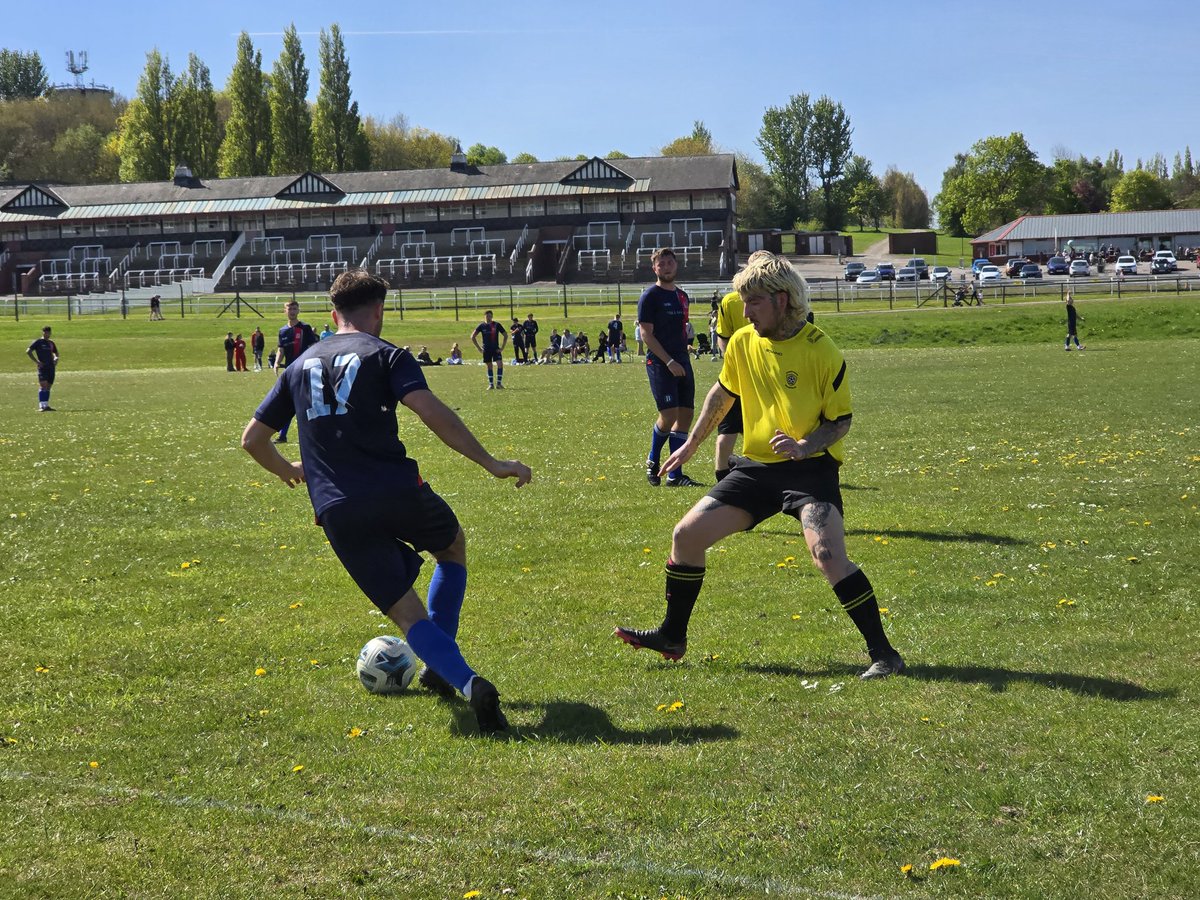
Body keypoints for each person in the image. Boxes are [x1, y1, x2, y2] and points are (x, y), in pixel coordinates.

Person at [241, 269, 531, 734]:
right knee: (451, 545)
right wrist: (492, 463)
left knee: (406, 613)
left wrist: (291, 471)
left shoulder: (298, 366)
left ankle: (465, 679)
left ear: (333, 314)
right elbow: (431, 411)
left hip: (337, 506)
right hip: (397, 489)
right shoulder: (387, 355)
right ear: (378, 311)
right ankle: (444, 662)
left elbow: (253, 439)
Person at [615, 253, 904, 680]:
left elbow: (840, 421)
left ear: (782, 300)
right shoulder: (743, 342)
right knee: (685, 536)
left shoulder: (821, 351)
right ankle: (673, 637)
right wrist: (691, 444)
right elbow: (722, 392)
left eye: (753, 302)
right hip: (755, 469)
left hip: (809, 469)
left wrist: (804, 446)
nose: (744, 312)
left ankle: (885, 655)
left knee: (827, 554)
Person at [637, 247, 701, 487]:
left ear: (676, 265)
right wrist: (670, 361)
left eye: (669, 262)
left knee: (685, 415)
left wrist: (685, 352)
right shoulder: (650, 296)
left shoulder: (682, 296)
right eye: (661, 263)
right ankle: (653, 459)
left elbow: (680, 330)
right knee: (669, 414)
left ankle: (675, 475)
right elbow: (647, 335)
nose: (666, 267)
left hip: (682, 360)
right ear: (654, 268)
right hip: (661, 363)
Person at [713, 288, 749, 483]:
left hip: (737, 376)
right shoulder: (775, 296)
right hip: (762, 373)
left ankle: (722, 475)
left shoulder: (730, 300)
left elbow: (723, 337)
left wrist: (732, 361)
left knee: (727, 428)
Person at [273, 300, 320, 443]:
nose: (292, 311)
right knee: (289, 403)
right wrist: (276, 362)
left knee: (308, 403)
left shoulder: (305, 328)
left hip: (305, 371)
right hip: (290, 371)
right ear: (284, 311)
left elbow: (314, 347)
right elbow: (281, 349)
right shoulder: (283, 331)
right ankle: (282, 435)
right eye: (289, 308)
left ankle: (314, 434)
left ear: (298, 310)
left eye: (294, 308)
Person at [471, 309, 507, 389]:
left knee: (500, 364)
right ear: (484, 317)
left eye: (490, 316)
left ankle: (499, 384)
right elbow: (472, 336)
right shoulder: (482, 326)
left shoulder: (497, 325)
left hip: (495, 349)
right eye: (487, 316)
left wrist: (502, 348)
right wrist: (479, 348)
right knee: (489, 366)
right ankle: (491, 385)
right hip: (486, 350)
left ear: (492, 316)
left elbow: (505, 335)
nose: (488, 318)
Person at [27, 325, 59, 411]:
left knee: (48, 387)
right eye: (46, 332)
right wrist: (37, 362)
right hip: (43, 367)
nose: (47, 334)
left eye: (49, 333)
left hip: (51, 367)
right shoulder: (38, 342)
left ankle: (46, 406)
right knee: (43, 385)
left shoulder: (51, 343)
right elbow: (28, 351)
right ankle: (41, 406)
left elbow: (56, 353)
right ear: (43, 333)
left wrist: (56, 358)